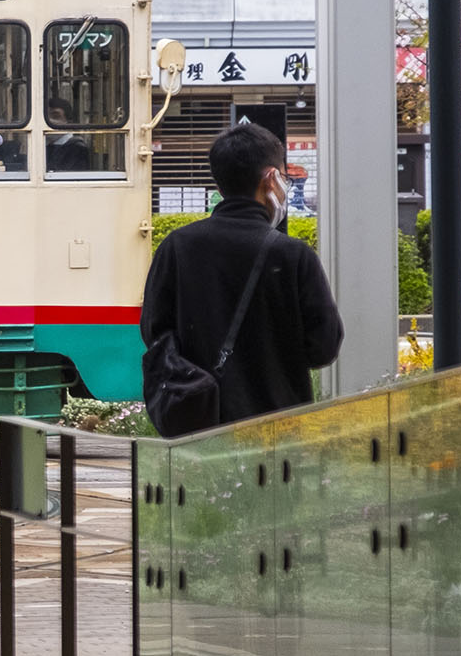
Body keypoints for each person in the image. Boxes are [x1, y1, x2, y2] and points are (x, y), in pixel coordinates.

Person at [141, 122, 343, 428]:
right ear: (272, 178)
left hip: (199, 425)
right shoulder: (294, 255)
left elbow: (154, 332)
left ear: (219, 185)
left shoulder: (177, 247)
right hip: (278, 428)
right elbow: (323, 347)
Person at [44, 100, 92, 173]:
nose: (50, 121)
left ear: (68, 121)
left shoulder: (77, 147)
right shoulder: (47, 146)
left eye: (55, 116)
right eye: (46, 117)